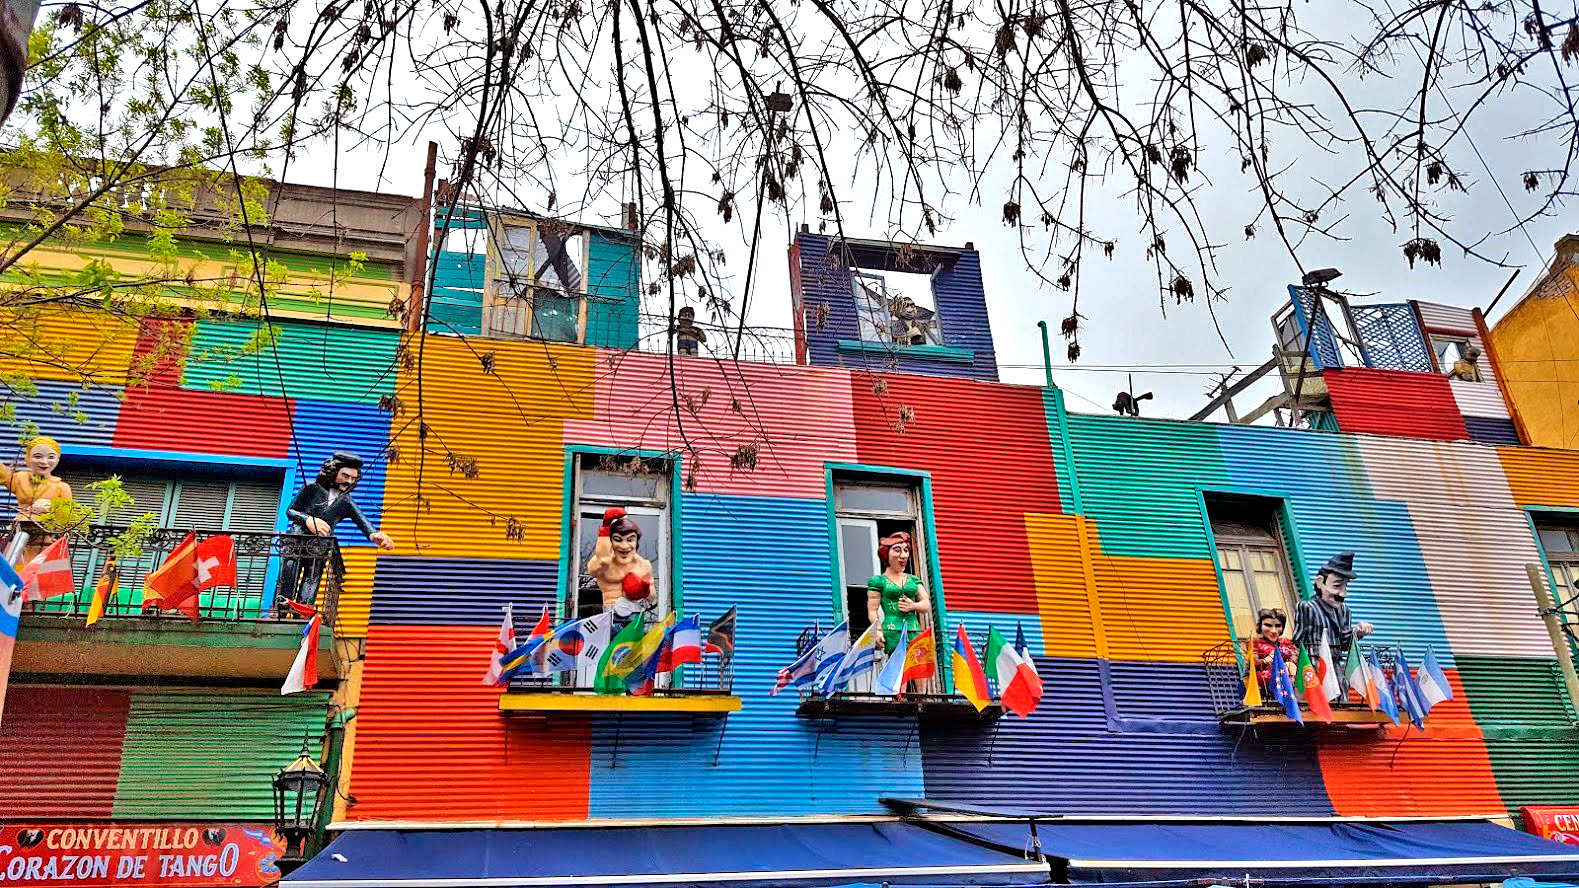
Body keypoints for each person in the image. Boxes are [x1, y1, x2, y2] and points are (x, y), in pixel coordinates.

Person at [278, 451, 394, 610]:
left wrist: (374, 535)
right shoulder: (311, 487)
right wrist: (309, 520)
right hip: (296, 540)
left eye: (353, 478)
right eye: (345, 476)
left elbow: (361, 519)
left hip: (319, 546)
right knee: (289, 575)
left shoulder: (345, 501)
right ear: (332, 472)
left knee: (312, 579)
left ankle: (302, 612)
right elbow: (290, 511)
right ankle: (279, 610)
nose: (349, 481)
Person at [1293, 551, 1373, 684]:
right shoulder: (1307, 607)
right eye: (1336, 586)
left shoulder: (1345, 611)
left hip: (1336, 666)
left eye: (1345, 586)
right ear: (1320, 583)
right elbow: (1298, 639)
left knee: (1341, 698)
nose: (1343, 594)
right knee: (1317, 699)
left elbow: (1345, 644)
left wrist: (1358, 633)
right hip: (1314, 665)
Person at [0, 437, 73, 563]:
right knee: (14, 567)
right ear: (27, 459)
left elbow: (68, 516)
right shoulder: (20, 478)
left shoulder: (61, 487)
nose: (44, 462)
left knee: (35, 572)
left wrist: (52, 506)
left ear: (57, 460)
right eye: (38, 456)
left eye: (51, 457)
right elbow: (3, 475)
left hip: (44, 538)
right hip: (18, 534)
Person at [866, 531, 931, 656]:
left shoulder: (913, 580)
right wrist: (878, 630)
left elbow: (926, 604)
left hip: (914, 629)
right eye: (897, 550)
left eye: (906, 550)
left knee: (916, 667)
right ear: (886, 554)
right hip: (892, 630)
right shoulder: (878, 581)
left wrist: (913, 606)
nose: (904, 555)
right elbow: (872, 610)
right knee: (897, 666)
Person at [586, 507, 654, 622]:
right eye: (618, 539)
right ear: (610, 542)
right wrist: (605, 527)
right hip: (610, 614)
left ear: (637, 541)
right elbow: (603, 560)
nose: (624, 546)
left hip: (636, 615)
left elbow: (652, 597)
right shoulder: (604, 563)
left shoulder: (644, 565)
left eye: (630, 540)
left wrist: (644, 590)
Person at [1249, 607, 1296, 692]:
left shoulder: (1287, 642)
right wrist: (1266, 660)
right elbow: (1252, 663)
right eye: (1268, 625)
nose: (1274, 630)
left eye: (1278, 626)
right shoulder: (1255, 643)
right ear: (1260, 626)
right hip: (1266, 681)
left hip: (1288, 679)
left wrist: (1291, 664)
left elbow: (1296, 661)